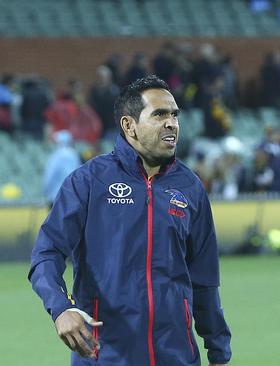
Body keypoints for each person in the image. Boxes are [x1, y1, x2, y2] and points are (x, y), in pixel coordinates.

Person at [29, 76, 231, 365]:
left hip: (176, 356)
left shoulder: (190, 187)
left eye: (174, 115)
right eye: (159, 114)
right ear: (129, 125)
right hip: (105, 356)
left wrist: (219, 351)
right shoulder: (89, 181)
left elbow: (205, 280)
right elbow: (46, 255)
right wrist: (61, 308)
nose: (172, 123)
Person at [42, 130, 81, 208]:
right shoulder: (74, 155)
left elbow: (50, 175)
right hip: (72, 196)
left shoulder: (57, 155)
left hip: (56, 195)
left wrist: (45, 191)